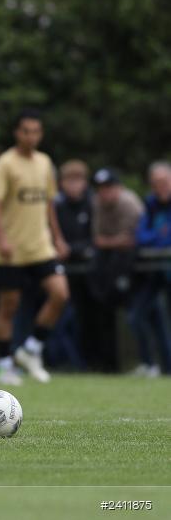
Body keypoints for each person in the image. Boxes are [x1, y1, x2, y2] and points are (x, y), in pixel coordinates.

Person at [0, 109, 69, 386]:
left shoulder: (45, 163)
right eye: (26, 131)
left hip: (40, 246)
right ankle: (4, 364)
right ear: (17, 133)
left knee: (60, 293)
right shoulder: (5, 164)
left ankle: (32, 349)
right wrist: (2, 239)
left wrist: (58, 237)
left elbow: (48, 204)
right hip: (12, 249)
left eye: (36, 131)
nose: (32, 136)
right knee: (9, 307)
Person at [87, 168, 143, 372]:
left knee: (136, 313)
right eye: (101, 189)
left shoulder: (129, 203)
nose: (104, 193)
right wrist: (113, 242)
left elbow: (129, 241)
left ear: (118, 187)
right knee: (101, 306)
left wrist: (108, 243)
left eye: (108, 188)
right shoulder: (96, 203)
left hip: (130, 267)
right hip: (108, 264)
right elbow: (97, 239)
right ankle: (107, 364)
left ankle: (143, 363)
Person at [128, 161, 171, 376]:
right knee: (136, 317)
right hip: (155, 273)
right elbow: (141, 237)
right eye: (155, 183)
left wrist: (158, 237)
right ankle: (151, 365)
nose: (160, 186)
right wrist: (161, 237)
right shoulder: (151, 204)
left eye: (163, 181)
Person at [52, 160, 94, 370]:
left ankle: (84, 364)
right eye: (69, 180)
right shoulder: (56, 207)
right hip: (64, 274)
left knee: (86, 322)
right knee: (63, 321)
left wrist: (73, 250)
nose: (73, 185)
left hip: (88, 277)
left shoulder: (93, 204)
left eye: (78, 180)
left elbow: (95, 239)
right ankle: (71, 365)